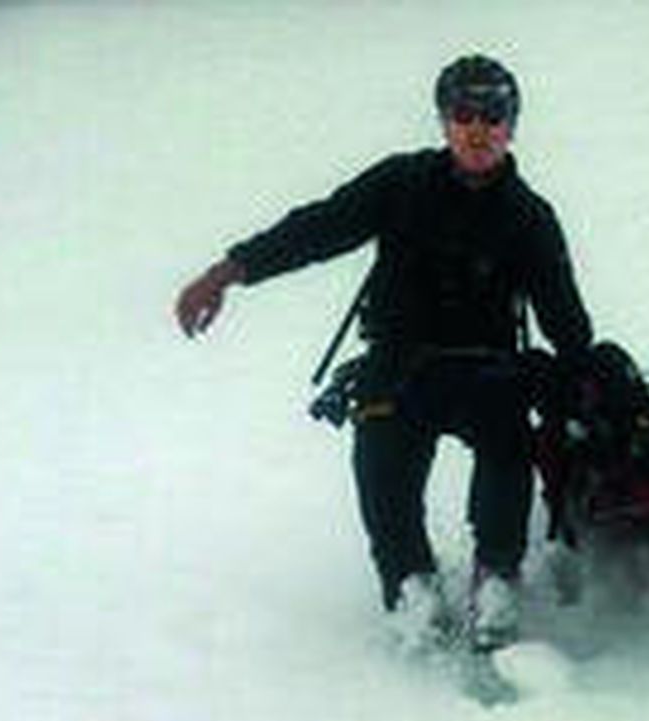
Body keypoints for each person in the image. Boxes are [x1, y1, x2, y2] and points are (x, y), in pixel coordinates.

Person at [175, 55, 593, 649]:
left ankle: (496, 580)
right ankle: (410, 588)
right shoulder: (401, 185)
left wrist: (583, 381)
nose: (478, 129)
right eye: (464, 114)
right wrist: (228, 271)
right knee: (383, 472)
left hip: (488, 371)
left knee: (508, 448)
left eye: (493, 116)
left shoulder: (529, 217)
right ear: (444, 121)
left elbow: (566, 321)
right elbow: (318, 228)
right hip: (400, 369)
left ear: (512, 125)